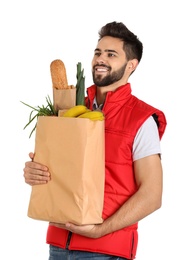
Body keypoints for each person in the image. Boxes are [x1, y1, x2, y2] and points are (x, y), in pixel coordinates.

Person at [23, 21, 167, 260]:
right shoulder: (71, 109)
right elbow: (61, 173)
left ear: (131, 65)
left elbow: (152, 194)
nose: (101, 59)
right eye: (98, 52)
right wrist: (36, 172)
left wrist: (100, 230)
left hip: (106, 251)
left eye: (111, 54)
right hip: (58, 245)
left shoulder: (141, 119)